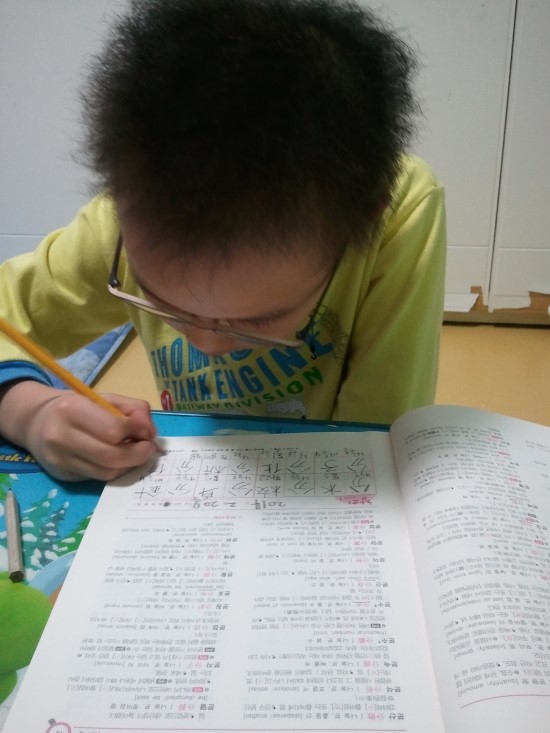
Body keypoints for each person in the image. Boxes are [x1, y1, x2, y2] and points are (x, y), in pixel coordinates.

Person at [0, 0, 446, 482]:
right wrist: (31, 412)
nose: (208, 345)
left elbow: (373, 443)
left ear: (361, 223)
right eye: (162, 301)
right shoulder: (128, 218)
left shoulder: (397, 218)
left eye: (259, 321)